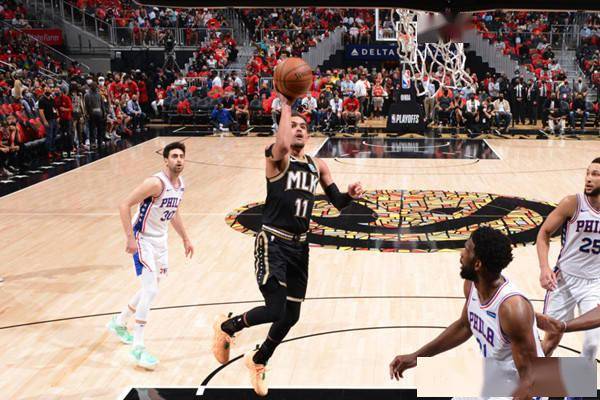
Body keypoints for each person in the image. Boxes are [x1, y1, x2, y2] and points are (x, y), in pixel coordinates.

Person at [211, 92, 363, 396]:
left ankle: (258, 359)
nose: (298, 129)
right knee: (276, 308)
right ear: (283, 130)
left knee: (291, 315)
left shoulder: (318, 166)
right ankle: (228, 327)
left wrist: (349, 195)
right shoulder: (276, 159)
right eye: (293, 125)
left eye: (303, 126)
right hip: (273, 241)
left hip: (299, 247)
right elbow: (280, 143)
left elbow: (337, 202)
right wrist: (287, 104)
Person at [389, 227, 544, 397]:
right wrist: (416, 356)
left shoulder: (512, 309)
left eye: (467, 249)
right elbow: (465, 326)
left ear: (478, 264)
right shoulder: (472, 286)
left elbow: (529, 381)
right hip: (497, 376)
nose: (461, 254)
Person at [109, 141, 194, 370]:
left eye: (181, 156)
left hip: (160, 240)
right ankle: (138, 346)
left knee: (153, 284)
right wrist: (129, 238)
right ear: (165, 160)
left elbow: (173, 212)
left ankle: (119, 322)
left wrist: (185, 238)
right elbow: (124, 205)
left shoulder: (180, 185)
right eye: (174, 156)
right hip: (142, 238)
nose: (178, 160)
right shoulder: (155, 183)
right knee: (151, 290)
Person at [537, 157, 600, 360]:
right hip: (564, 279)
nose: (588, 178)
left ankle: (576, 382)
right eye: (587, 173)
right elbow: (544, 232)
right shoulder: (572, 203)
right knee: (551, 340)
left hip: (594, 284)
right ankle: (534, 379)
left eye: (595, 174)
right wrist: (544, 268)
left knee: (592, 343)